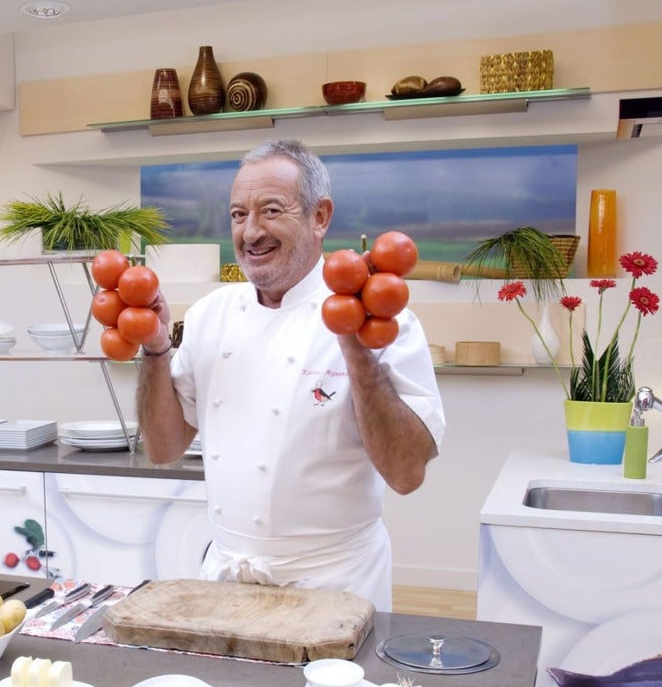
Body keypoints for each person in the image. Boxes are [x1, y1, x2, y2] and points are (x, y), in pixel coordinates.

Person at [135, 138, 445, 612]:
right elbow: (163, 448)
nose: (251, 231)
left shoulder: (379, 318)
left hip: (337, 583)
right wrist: (155, 349)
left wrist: (356, 351)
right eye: (238, 215)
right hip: (226, 579)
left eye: (271, 210)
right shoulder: (208, 316)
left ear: (320, 217)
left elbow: (406, 474)